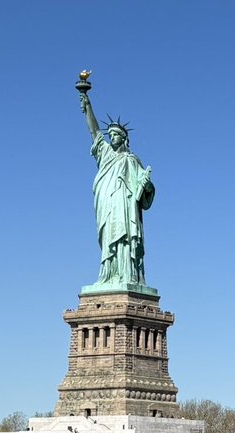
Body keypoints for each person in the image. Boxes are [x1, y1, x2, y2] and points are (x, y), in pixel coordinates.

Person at [78, 88, 154, 286]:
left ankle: (128, 275)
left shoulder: (131, 160)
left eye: (115, 135)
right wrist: (88, 107)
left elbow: (145, 194)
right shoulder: (105, 154)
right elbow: (94, 132)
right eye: (110, 135)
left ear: (124, 138)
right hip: (108, 204)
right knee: (109, 239)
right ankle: (109, 275)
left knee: (126, 239)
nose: (112, 137)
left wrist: (146, 186)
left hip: (125, 207)